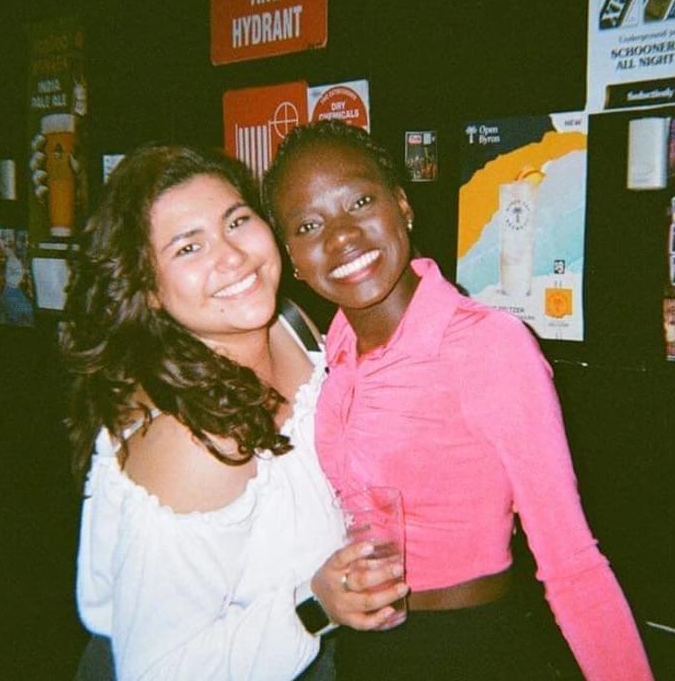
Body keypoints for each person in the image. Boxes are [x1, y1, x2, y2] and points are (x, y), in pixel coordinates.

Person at [263, 120, 654, 681]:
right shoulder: (335, 350)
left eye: (361, 201)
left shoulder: (486, 344)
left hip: (468, 650)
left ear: (402, 206)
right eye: (308, 224)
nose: (342, 235)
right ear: (293, 259)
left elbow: (572, 563)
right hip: (364, 649)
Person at [62, 144, 408, 681]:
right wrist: (314, 606)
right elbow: (156, 670)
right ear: (148, 289)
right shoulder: (194, 442)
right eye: (188, 247)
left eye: (237, 221)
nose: (232, 257)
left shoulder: (288, 322)